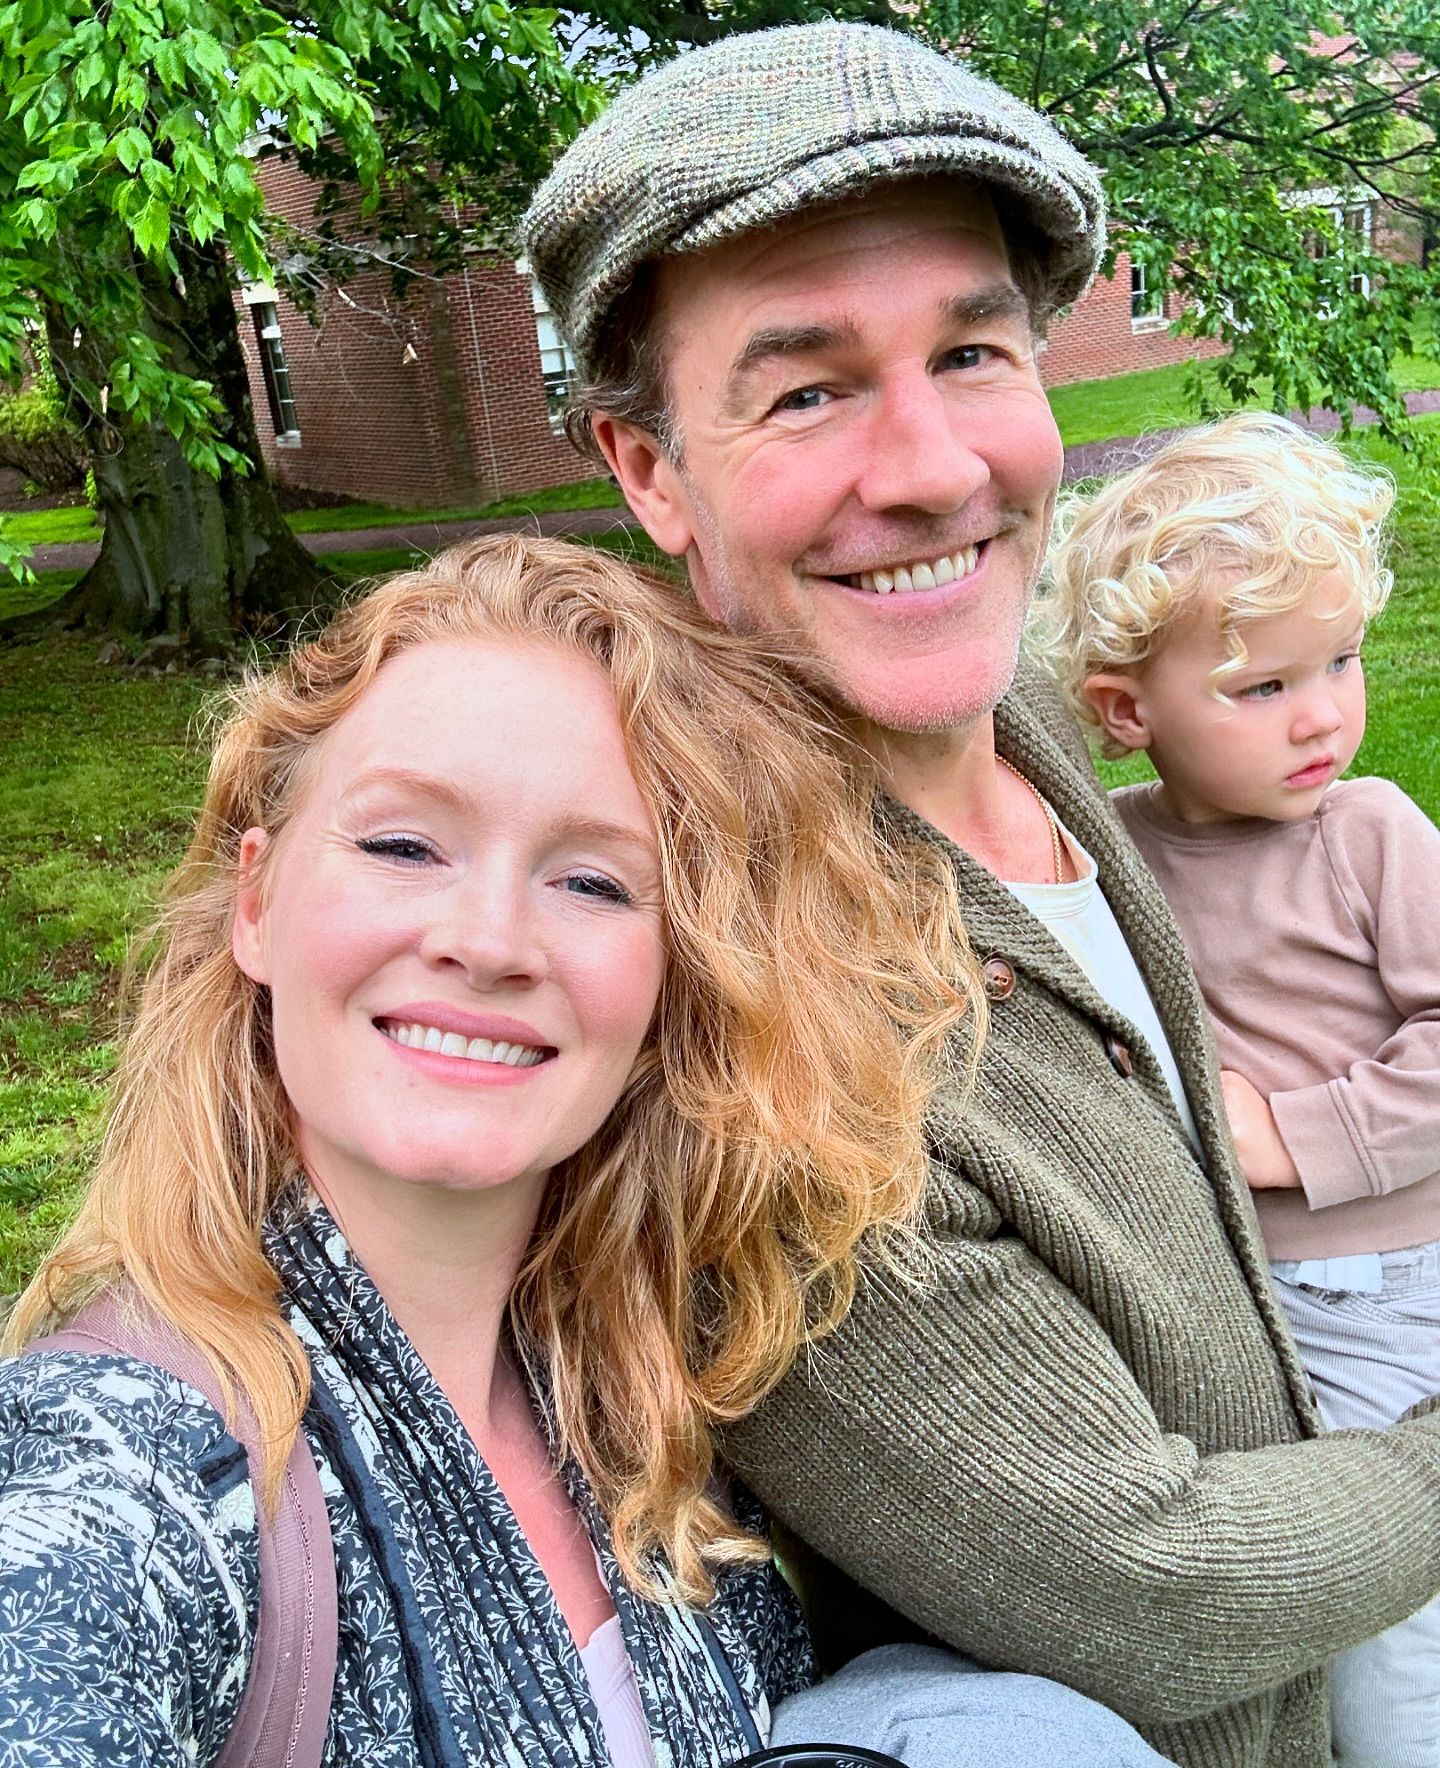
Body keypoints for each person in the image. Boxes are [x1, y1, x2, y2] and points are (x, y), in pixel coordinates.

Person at [521, 18, 1440, 1768]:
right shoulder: (751, 1027)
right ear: (649, 469)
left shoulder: (1015, 709)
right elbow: (1148, 1589)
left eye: (974, 352)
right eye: (805, 388)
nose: (932, 467)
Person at [0, 534, 980, 1765]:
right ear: (258, 902)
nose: (491, 939)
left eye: (592, 882)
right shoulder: (122, 1472)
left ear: (674, 985)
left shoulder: (647, 1410)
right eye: (404, 846)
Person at [1035, 411, 1440, 1767]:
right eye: (1261, 687)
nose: (1322, 710)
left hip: (1397, 1278)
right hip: (1254, 1299)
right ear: (1125, 713)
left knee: (1395, 1634)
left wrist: (1302, 1134)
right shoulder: (1117, 854)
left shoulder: (1374, 834)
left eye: (1337, 661)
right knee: (1308, 1588)